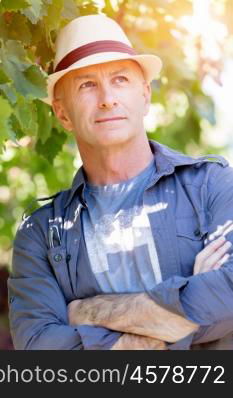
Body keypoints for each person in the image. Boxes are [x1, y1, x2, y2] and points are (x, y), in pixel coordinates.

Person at [8, 14, 233, 350]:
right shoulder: (40, 234)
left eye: (121, 80)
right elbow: (40, 347)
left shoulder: (212, 185)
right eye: (86, 85)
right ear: (62, 113)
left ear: (145, 95)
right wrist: (188, 309)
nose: (107, 98)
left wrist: (87, 311)